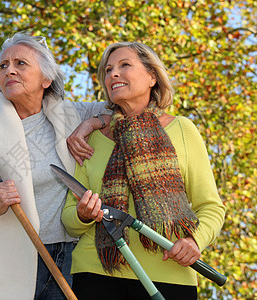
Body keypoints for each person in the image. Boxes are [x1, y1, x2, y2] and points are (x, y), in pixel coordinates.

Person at [0, 32, 110, 300]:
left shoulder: (73, 115)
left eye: (20, 64)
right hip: (2, 254)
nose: (10, 70)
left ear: (46, 79)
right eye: (3, 66)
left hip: (69, 257)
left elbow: (123, 109)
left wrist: (91, 124)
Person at [62, 42, 226, 299]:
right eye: (108, 70)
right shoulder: (94, 138)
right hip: (95, 274)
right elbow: (69, 219)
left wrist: (196, 241)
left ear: (152, 76)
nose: (112, 74)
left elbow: (211, 206)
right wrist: (83, 215)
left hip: (170, 273)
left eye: (124, 65)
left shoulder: (182, 130)